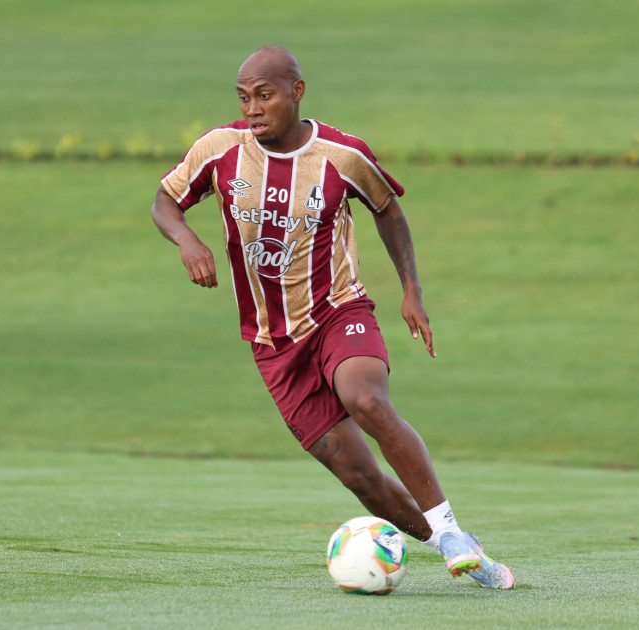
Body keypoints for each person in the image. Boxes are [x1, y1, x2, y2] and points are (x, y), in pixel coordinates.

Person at [151, 45, 514, 589]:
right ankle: (455, 548)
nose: (253, 108)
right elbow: (165, 200)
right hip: (273, 344)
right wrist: (186, 240)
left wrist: (411, 290)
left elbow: (388, 210)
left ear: (296, 92)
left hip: (339, 311)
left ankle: (451, 529)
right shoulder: (219, 149)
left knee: (365, 398)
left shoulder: (342, 155)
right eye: (244, 97)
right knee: (361, 478)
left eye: (265, 95)